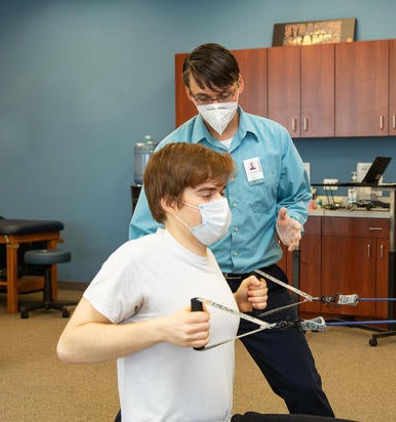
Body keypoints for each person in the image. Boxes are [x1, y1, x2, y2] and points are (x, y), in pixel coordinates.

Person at [130, 43, 335, 417]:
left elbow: (296, 194)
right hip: (195, 284)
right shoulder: (172, 150)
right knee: (168, 383)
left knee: (302, 382)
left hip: (261, 283)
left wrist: (291, 221)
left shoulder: (273, 138)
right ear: (189, 94)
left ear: (240, 84)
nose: (216, 104)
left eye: (224, 94)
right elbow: (144, 231)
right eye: (204, 97)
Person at [57, 143, 268, 422]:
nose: (220, 202)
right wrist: (162, 329)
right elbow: (70, 345)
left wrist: (233, 301)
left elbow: (177, 302)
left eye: (221, 192)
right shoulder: (136, 258)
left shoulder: (205, 255)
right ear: (169, 202)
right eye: (207, 194)